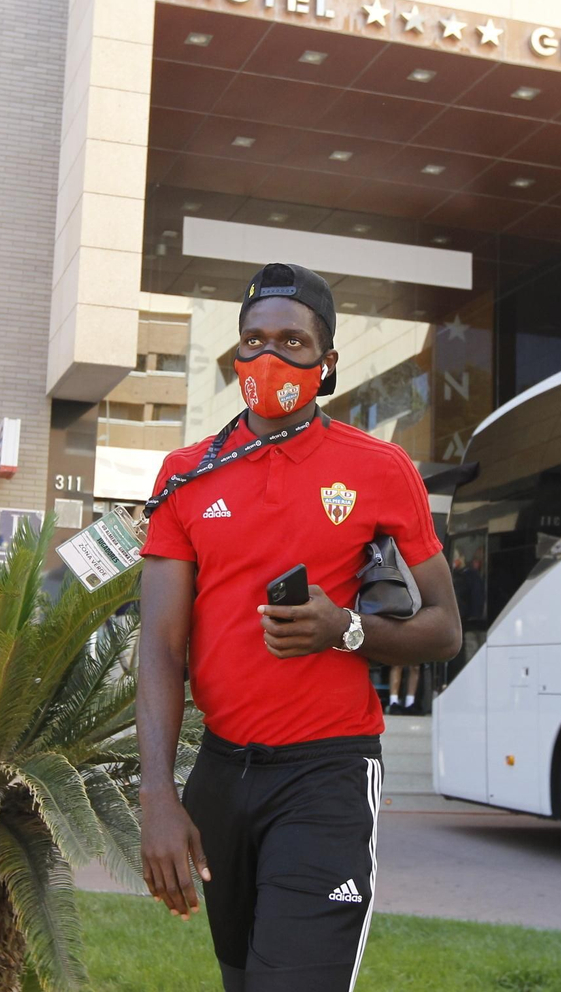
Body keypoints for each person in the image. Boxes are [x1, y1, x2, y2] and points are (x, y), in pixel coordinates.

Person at [136, 262, 463, 992]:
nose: (268, 358)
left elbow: (445, 629)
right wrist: (158, 793)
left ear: (329, 364)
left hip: (327, 775)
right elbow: (158, 645)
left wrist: (343, 628)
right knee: (244, 980)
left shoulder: (381, 467)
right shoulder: (185, 474)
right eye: (253, 340)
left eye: (291, 341)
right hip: (223, 773)